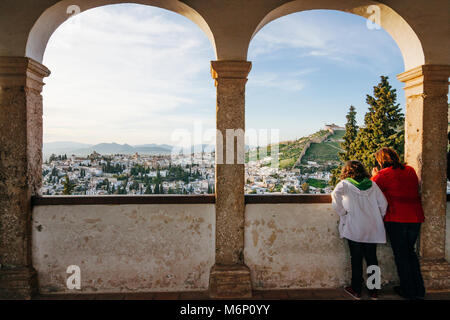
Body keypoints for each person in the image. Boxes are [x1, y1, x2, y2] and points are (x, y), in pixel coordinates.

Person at [371, 147, 425, 300]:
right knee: (410, 254)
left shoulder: (382, 175)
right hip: (415, 217)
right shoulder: (410, 170)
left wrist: (374, 175)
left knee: (401, 256)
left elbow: (370, 190)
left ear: (380, 161)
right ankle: (419, 290)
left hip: (396, 218)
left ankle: (408, 291)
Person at [332, 160, 388, 300]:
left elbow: (335, 198)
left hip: (355, 227)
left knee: (356, 259)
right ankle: (374, 290)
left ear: (347, 171)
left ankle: (356, 289)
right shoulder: (372, 185)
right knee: (372, 258)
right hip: (372, 227)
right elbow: (384, 204)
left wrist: (343, 212)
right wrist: (377, 217)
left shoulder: (344, 184)